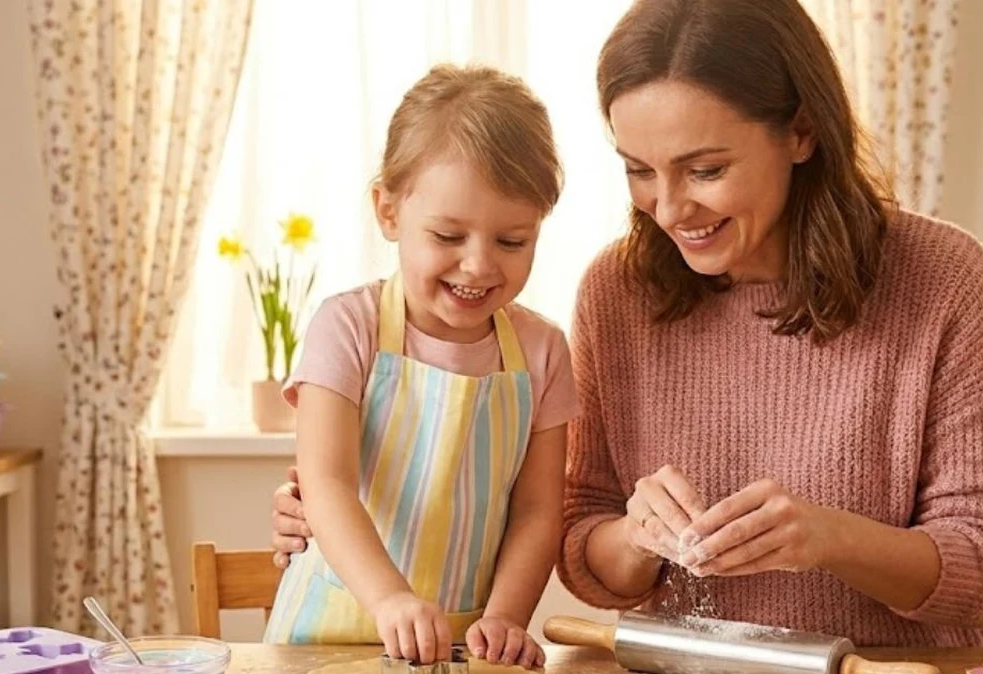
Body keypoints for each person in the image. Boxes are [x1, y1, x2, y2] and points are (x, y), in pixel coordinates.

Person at [269, 0, 983, 648]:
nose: (668, 209)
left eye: (705, 170)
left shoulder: (944, 279)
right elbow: (584, 544)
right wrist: (637, 538)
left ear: (800, 131)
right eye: (639, 170)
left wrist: (829, 538)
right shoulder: (619, 291)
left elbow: (974, 567)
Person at [261, 64, 579, 669]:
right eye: (449, 236)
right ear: (388, 211)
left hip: (462, 645)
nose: (479, 264)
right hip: (327, 636)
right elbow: (326, 484)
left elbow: (538, 512)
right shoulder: (347, 326)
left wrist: (505, 618)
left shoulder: (543, 350)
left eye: (512, 241)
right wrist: (391, 601)